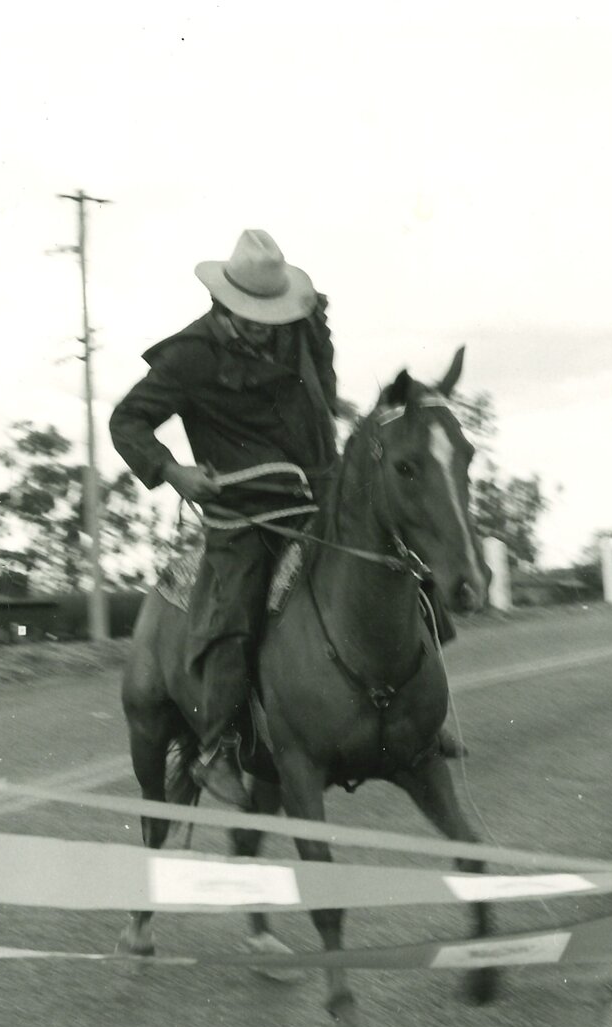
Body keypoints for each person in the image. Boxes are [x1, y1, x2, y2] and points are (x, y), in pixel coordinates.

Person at [110, 229, 462, 810]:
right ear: (223, 304)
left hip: (319, 491)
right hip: (245, 513)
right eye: (251, 317)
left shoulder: (296, 326)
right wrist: (173, 472)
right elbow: (128, 422)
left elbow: (322, 390)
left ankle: (421, 721)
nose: (263, 327)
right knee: (235, 610)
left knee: (408, 572)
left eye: (270, 316)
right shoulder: (187, 357)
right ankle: (218, 748)